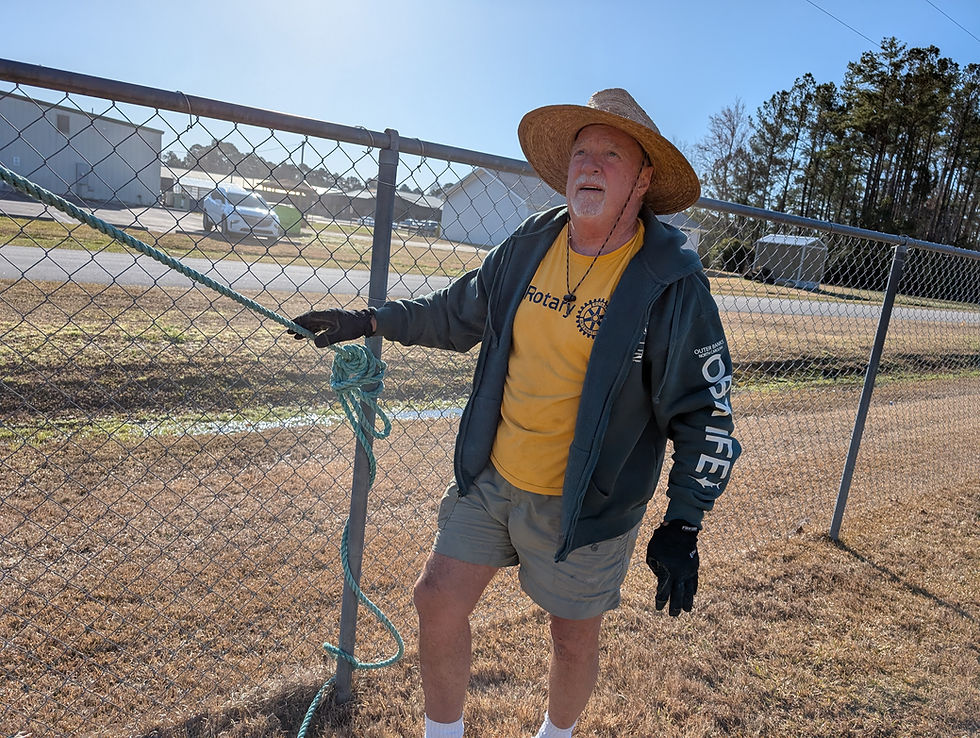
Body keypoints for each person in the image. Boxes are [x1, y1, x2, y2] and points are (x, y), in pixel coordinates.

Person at [290, 88, 741, 738]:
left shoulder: (671, 281)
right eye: (582, 152)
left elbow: (706, 413)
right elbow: (454, 312)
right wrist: (368, 319)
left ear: (643, 179)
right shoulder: (531, 243)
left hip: (587, 503)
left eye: (611, 154)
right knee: (436, 598)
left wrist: (684, 523)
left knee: (571, 643)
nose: (589, 165)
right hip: (494, 474)